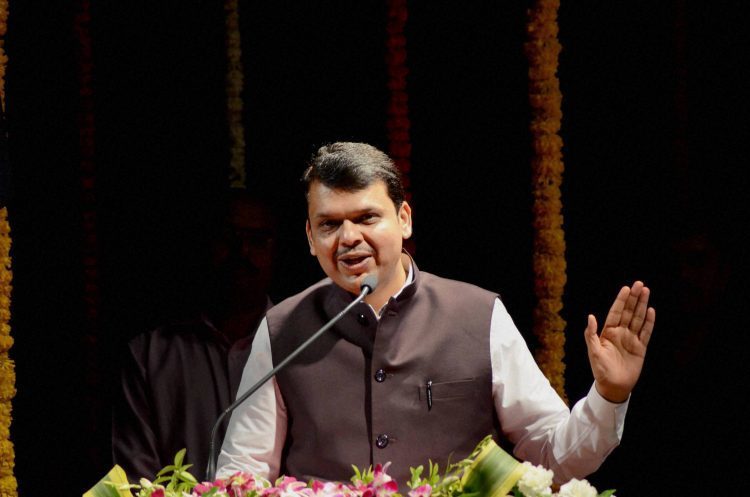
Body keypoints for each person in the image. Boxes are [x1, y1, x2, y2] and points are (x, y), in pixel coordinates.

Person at [217, 142, 655, 485]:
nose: (348, 238)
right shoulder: (282, 328)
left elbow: (551, 456)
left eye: (367, 217)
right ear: (310, 237)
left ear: (404, 219)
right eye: (330, 225)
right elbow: (243, 473)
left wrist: (609, 395)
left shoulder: (478, 315)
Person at [112, 189, 277, 480]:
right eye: (229, 238)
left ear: (275, 251)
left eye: (257, 240)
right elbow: (135, 478)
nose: (242, 252)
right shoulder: (150, 356)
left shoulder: (303, 344)